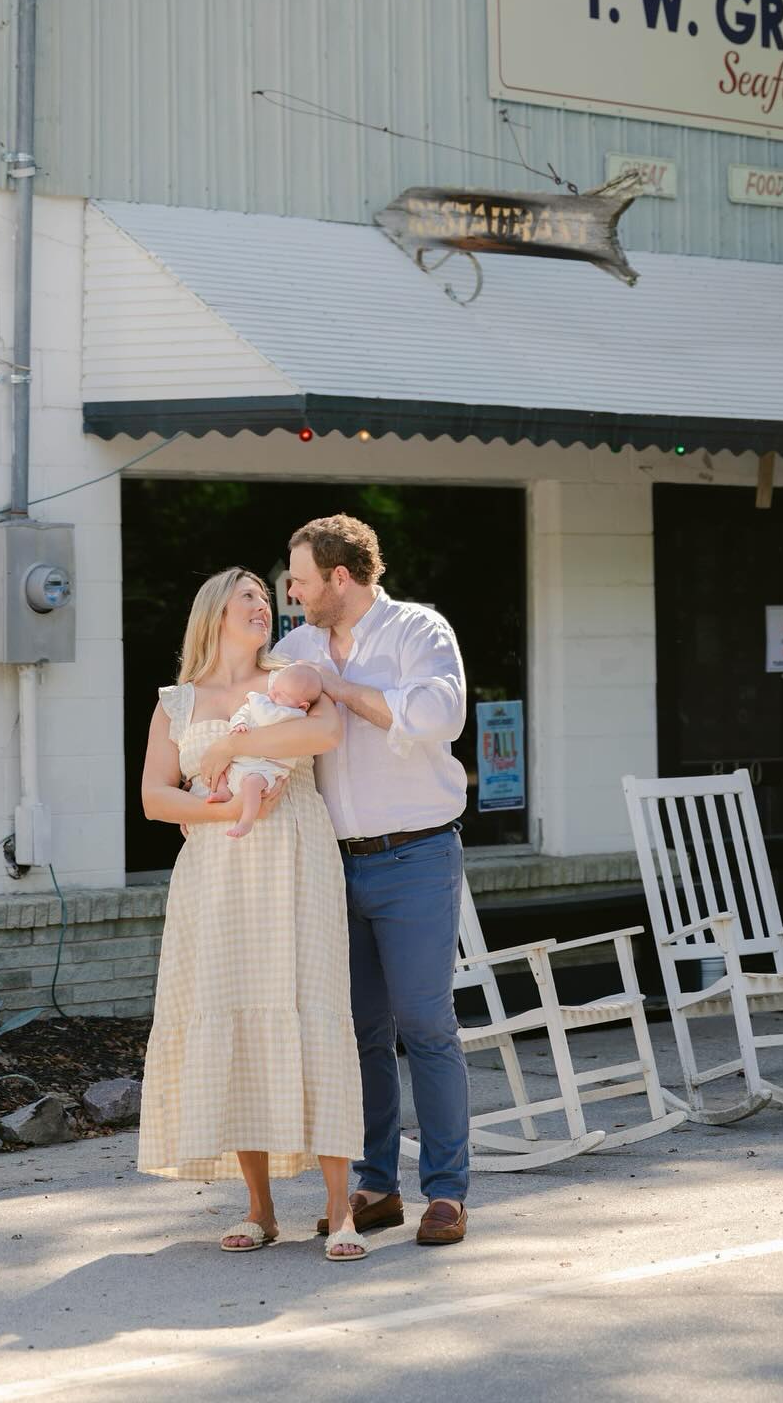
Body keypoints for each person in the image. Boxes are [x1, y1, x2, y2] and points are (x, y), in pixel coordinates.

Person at [137, 568, 368, 1262]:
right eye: (250, 597)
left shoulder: (291, 678)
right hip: (216, 870)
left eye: (266, 599)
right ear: (215, 612)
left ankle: (340, 1209)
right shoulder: (176, 703)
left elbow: (326, 734)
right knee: (234, 1009)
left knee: (314, 1007)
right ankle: (260, 1209)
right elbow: (154, 798)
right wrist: (221, 811)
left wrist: (232, 749)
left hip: (296, 858)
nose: (264, 605)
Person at [264, 514, 472, 1247]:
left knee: (425, 1025)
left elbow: (439, 716)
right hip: (329, 862)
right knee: (358, 1032)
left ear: (340, 578)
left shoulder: (419, 631)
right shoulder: (295, 648)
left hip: (416, 857)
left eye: (299, 581)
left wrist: (339, 689)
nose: (291, 593)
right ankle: (377, 1185)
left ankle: (446, 1192)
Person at [203, 662, 325, 840]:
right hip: (243, 762)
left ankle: (247, 820)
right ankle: (223, 790)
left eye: (280, 694)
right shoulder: (266, 702)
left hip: (267, 768)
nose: (272, 694)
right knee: (222, 767)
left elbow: (266, 717)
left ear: (302, 706)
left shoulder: (294, 715)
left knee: (252, 783)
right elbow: (243, 712)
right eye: (273, 688)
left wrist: (254, 698)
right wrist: (239, 723)